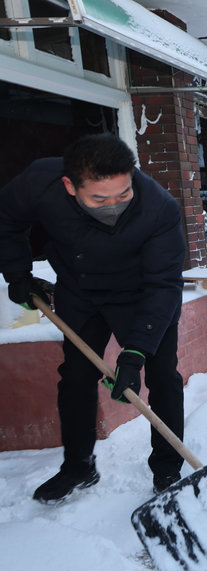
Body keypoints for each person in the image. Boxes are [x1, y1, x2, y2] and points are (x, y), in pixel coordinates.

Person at [0, 133, 187, 503]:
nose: (113, 206)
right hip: (81, 293)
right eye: (99, 199)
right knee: (76, 377)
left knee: (163, 376)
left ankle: (168, 466)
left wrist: (135, 352)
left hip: (141, 296)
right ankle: (78, 466)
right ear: (70, 185)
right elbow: (6, 220)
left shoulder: (159, 209)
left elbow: (164, 284)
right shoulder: (40, 182)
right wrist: (18, 274)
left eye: (123, 194)